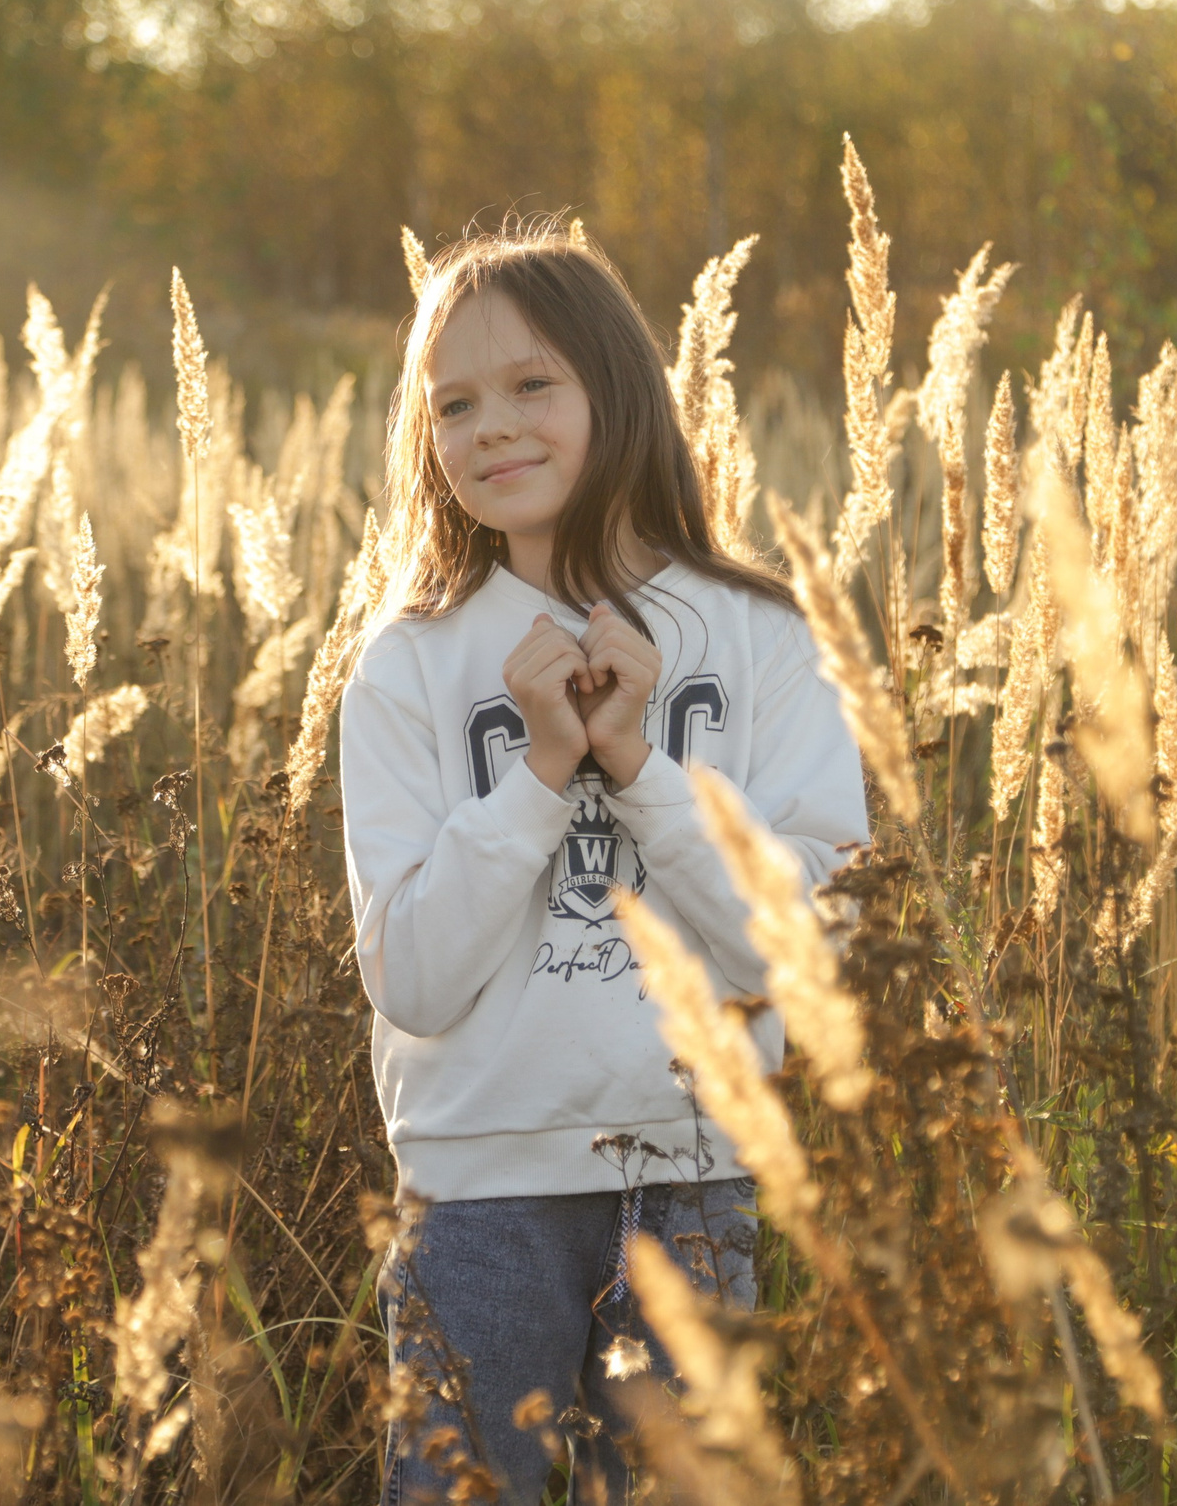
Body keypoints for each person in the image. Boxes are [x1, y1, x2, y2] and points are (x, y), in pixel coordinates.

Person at [338, 219, 869, 1502]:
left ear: (617, 390)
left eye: (532, 384)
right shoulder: (408, 666)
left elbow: (807, 952)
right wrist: (536, 774)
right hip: (477, 1192)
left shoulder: (759, 636)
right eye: (452, 403)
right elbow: (410, 975)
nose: (491, 428)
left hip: (691, 1169)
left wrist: (639, 768)